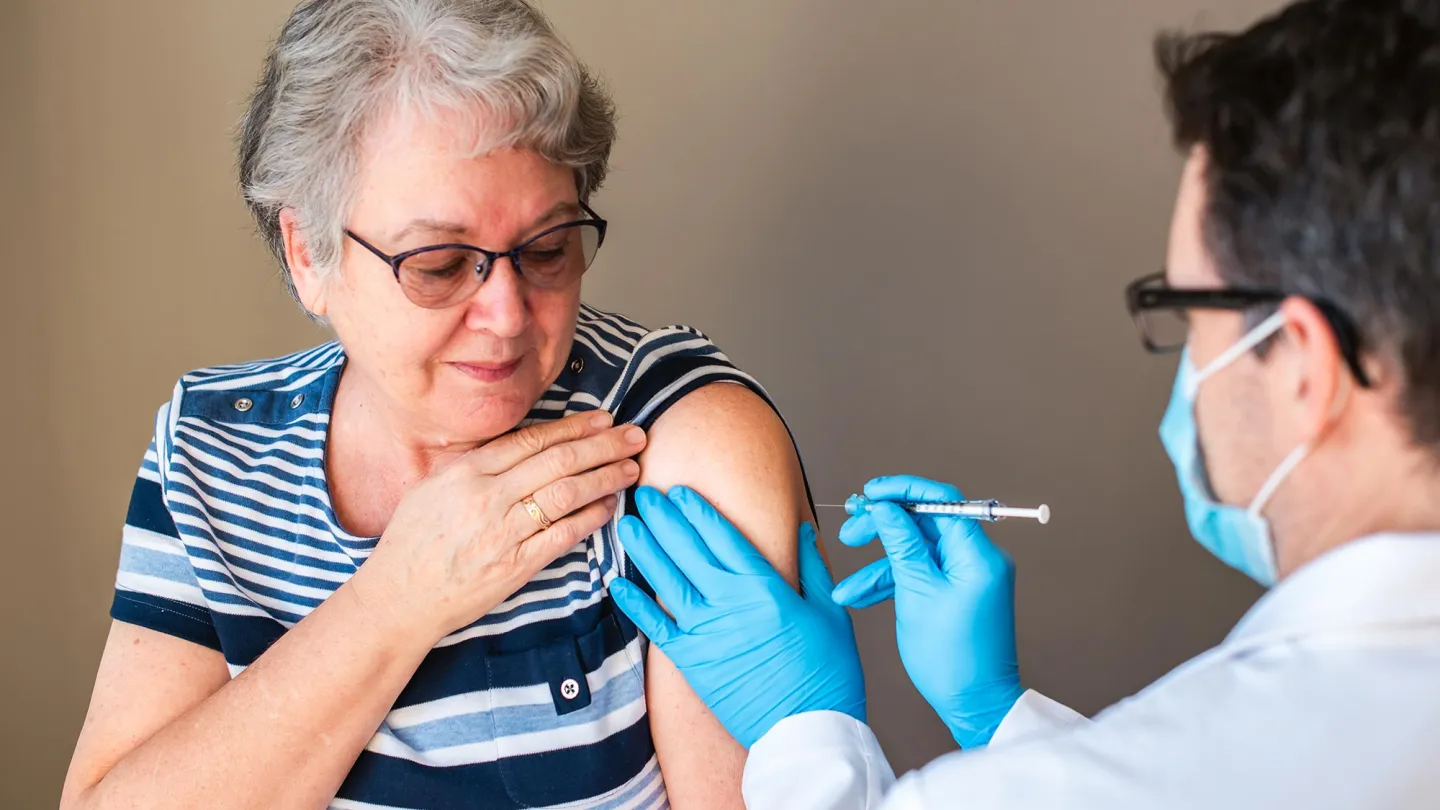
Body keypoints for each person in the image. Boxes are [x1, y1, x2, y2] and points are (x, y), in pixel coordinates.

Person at [607, 1, 1440, 807]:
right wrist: (998, 713)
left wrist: (802, 729)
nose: (1190, 358)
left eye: (1186, 313)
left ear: (1300, 361)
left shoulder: (1169, 766)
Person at [59, 2, 817, 808]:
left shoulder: (675, 436)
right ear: (308, 253)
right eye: (441, 263)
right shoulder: (213, 454)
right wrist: (398, 599)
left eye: (549, 249)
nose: (509, 315)